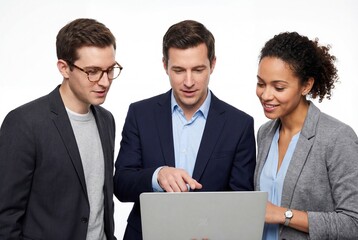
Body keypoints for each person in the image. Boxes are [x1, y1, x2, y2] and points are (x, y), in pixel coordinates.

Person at [113, 19, 256, 239]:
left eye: (198, 70)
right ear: (165, 66)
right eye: (179, 70)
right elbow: (121, 185)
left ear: (213, 64)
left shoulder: (239, 124)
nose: (188, 82)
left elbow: (240, 202)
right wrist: (157, 176)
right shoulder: (140, 114)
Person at [0, 18, 122, 240]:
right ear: (64, 68)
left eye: (110, 70)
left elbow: (100, 202)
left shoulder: (106, 120)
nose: (104, 81)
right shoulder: (24, 123)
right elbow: (5, 217)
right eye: (93, 71)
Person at [254, 31, 358, 239]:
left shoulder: (337, 137)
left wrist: (284, 214)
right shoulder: (265, 133)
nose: (266, 95)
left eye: (279, 87)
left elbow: (353, 223)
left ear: (306, 85)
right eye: (261, 83)